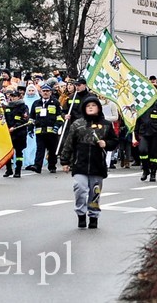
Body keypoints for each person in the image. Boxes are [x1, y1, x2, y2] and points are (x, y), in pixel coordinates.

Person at [60, 95, 118, 229]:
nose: (90, 108)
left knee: (95, 193)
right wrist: (65, 161)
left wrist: (106, 143)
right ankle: (80, 214)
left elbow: (114, 142)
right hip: (80, 163)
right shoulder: (77, 124)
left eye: (93, 105)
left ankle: (93, 217)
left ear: (98, 108)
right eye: (88, 106)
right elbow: (68, 143)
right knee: (80, 189)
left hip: (97, 165)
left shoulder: (106, 125)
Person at [134, 85, 157, 182]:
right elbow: (137, 121)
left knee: (154, 155)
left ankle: (153, 172)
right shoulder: (142, 107)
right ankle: (146, 170)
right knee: (142, 151)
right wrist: (136, 133)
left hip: (156, 133)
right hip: (144, 133)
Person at [30, 85, 64, 173]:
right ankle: (37, 166)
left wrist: (56, 127)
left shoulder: (55, 103)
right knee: (39, 149)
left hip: (52, 131)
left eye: (47, 91)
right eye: (43, 91)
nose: (45, 92)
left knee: (52, 150)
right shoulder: (36, 103)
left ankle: (52, 166)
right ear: (40, 92)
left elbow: (60, 117)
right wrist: (30, 128)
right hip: (40, 131)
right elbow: (32, 118)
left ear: (50, 92)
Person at [2, 88, 30, 178]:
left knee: (19, 152)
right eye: (12, 96)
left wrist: (15, 127)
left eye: (15, 96)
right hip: (8, 133)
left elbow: (24, 119)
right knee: (8, 152)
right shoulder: (7, 107)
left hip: (19, 133)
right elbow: (4, 118)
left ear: (19, 97)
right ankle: (8, 169)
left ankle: (18, 170)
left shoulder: (23, 107)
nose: (13, 98)